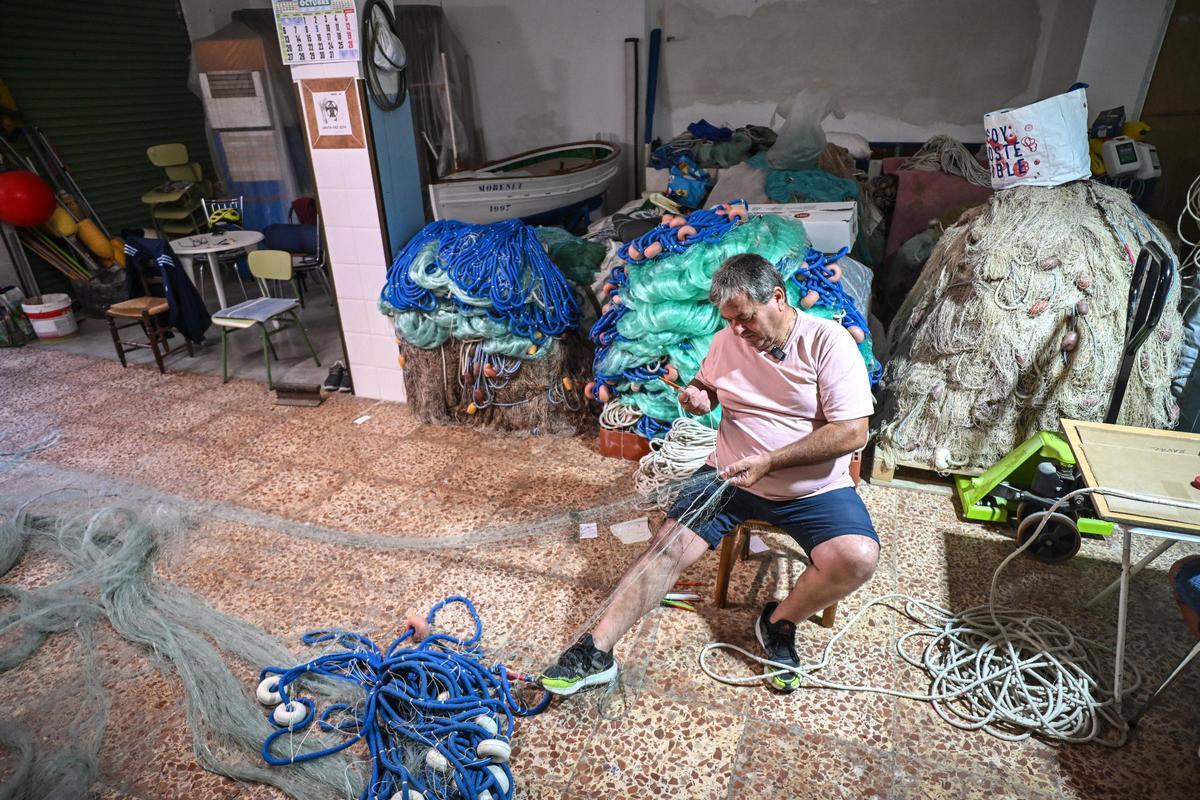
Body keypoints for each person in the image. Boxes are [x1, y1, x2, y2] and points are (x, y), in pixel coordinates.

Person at [541, 253, 878, 694]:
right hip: (729, 477)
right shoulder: (727, 341)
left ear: (778, 297)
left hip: (811, 491)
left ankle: (778, 621)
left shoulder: (828, 343)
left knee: (857, 558)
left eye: (746, 317)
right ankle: (596, 652)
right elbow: (709, 386)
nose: (737, 329)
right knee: (666, 549)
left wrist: (771, 462)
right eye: (729, 320)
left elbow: (852, 431)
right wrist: (700, 397)